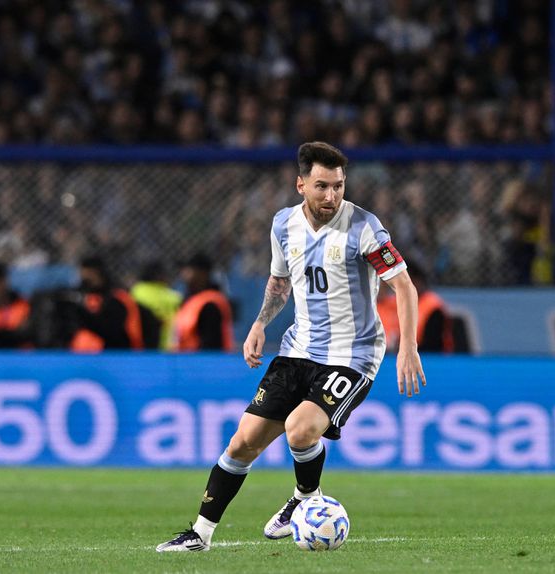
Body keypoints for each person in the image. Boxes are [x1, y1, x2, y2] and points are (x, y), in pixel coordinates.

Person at [156, 141, 426, 552]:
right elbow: (280, 284)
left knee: (300, 430)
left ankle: (304, 501)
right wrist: (259, 324)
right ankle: (200, 534)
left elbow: (404, 286)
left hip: (352, 355)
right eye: (321, 186)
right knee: (243, 442)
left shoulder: (365, 227)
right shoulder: (283, 224)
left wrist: (409, 346)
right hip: (298, 348)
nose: (331, 196)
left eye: (338, 186)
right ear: (300, 185)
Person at [70, 255, 144, 352]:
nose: (81, 276)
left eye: (85, 272)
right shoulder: (81, 295)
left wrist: (83, 314)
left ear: (95, 272)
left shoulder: (117, 298)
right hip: (81, 353)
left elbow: (114, 333)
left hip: (118, 353)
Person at [377, 261, 454, 353]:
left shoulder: (432, 307)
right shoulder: (392, 303)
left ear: (417, 281)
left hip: (427, 359)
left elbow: (433, 346)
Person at [174, 253, 234, 351]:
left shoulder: (210, 304)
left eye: (188, 270)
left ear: (202, 273)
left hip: (201, 363)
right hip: (187, 361)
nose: (183, 274)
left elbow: (211, 345)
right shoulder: (193, 300)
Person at [131, 260, 182, 350]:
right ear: (159, 276)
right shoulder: (173, 297)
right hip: (168, 347)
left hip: (139, 346)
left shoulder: (134, 292)